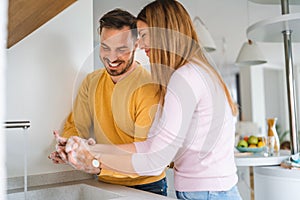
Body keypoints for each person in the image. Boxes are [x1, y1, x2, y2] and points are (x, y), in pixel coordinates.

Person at [57, 1, 242, 199]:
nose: (142, 44)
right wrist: (90, 149)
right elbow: (149, 146)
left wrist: (94, 162)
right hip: (213, 190)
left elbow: (154, 160)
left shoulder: (184, 77)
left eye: (144, 36)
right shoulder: (199, 71)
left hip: (206, 193)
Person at [48, 8, 167, 196]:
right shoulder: (92, 81)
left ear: (136, 44)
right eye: (105, 47)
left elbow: (142, 155)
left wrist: (94, 161)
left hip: (145, 185)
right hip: (105, 181)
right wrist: (72, 148)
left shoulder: (149, 88)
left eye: (121, 49)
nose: (111, 58)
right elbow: (76, 126)